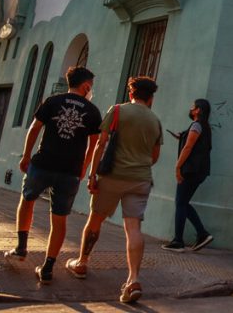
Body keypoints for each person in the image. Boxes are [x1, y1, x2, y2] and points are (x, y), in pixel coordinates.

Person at [65, 76, 162, 304]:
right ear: (151, 98)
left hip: (111, 177)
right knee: (133, 228)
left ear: (131, 93)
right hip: (140, 179)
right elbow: (154, 156)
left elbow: (101, 143)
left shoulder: (117, 111)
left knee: (95, 219)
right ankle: (133, 280)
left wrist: (92, 174)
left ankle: (82, 263)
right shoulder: (155, 121)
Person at [5, 66, 102, 285]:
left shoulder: (53, 101)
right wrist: (84, 167)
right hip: (70, 172)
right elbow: (95, 144)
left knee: (27, 200)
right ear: (86, 86)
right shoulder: (93, 111)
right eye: (91, 87)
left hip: (43, 164)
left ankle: (21, 248)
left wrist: (26, 155)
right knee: (59, 218)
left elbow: (35, 128)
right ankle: (48, 268)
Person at [161, 98, 214, 252]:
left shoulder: (197, 125)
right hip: (199, 171)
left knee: (180, 203)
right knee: (183, 202)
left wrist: (178, 167)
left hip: (191, 170)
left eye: (193, 107)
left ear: (198, 110)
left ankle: (178, 241)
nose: (191, 109)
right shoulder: (204, 126)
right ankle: (202, 234)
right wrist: (182, 136)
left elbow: (189, 147)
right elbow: (195, 142)